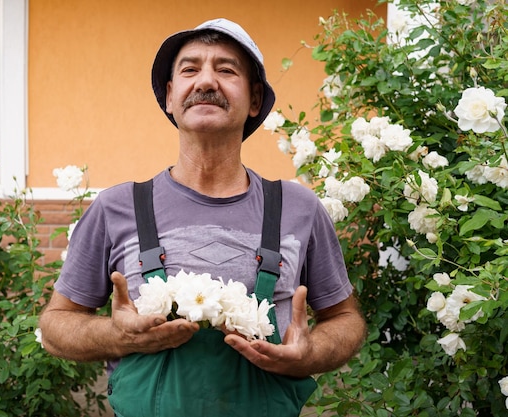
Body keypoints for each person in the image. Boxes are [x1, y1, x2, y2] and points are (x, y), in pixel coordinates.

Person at [39, 18, 366, 417]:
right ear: (169, 96)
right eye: (190, 69)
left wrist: (310, 351)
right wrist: (116, 334)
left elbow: (345, 319)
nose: (206, 81)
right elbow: (56, 327)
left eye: (226, 70)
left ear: (255, 99)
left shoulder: (299, 208)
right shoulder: (116, 207)